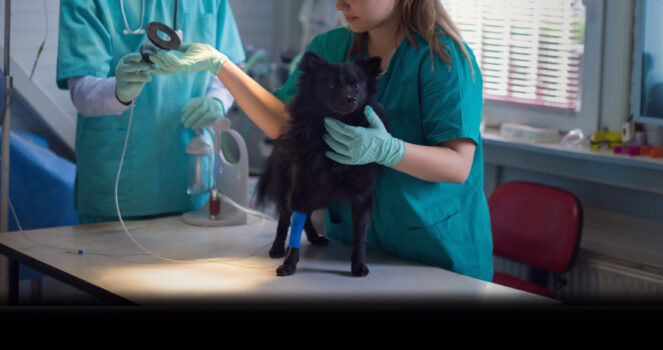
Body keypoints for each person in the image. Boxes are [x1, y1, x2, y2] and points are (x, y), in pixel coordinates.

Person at [150, 0, 493, 281]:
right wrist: (220, 64)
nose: (338, 3)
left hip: (436, 256)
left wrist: (388, 149)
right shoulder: (332, 47)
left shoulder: (445, 60)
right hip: (347, 254)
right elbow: (282, 121)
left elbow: (457, 166)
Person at [56, 0, 245, 224]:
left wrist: (217, 99)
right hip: (117, 188)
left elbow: (231, 65)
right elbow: (80, 90)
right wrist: (118, 91)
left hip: (190, 180)